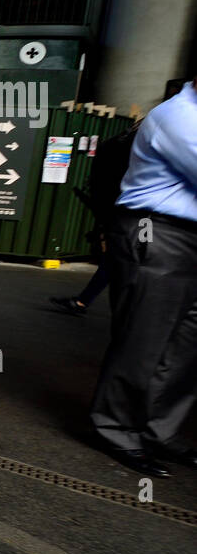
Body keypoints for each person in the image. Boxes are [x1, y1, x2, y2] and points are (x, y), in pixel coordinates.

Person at [88, 77, 197, 476]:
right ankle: (115, 428)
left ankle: (158, 431)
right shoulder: (180, 116)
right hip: (160, 232)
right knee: (144, 341)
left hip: (187, 238)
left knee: (186, 348)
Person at [50, 118, 141, 316]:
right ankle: (84, 301)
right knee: (120, 257)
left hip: (130, 209)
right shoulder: (135, 140)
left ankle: (86, 302)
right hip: (132, 210)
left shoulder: (127, 140)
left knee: (123, 258)